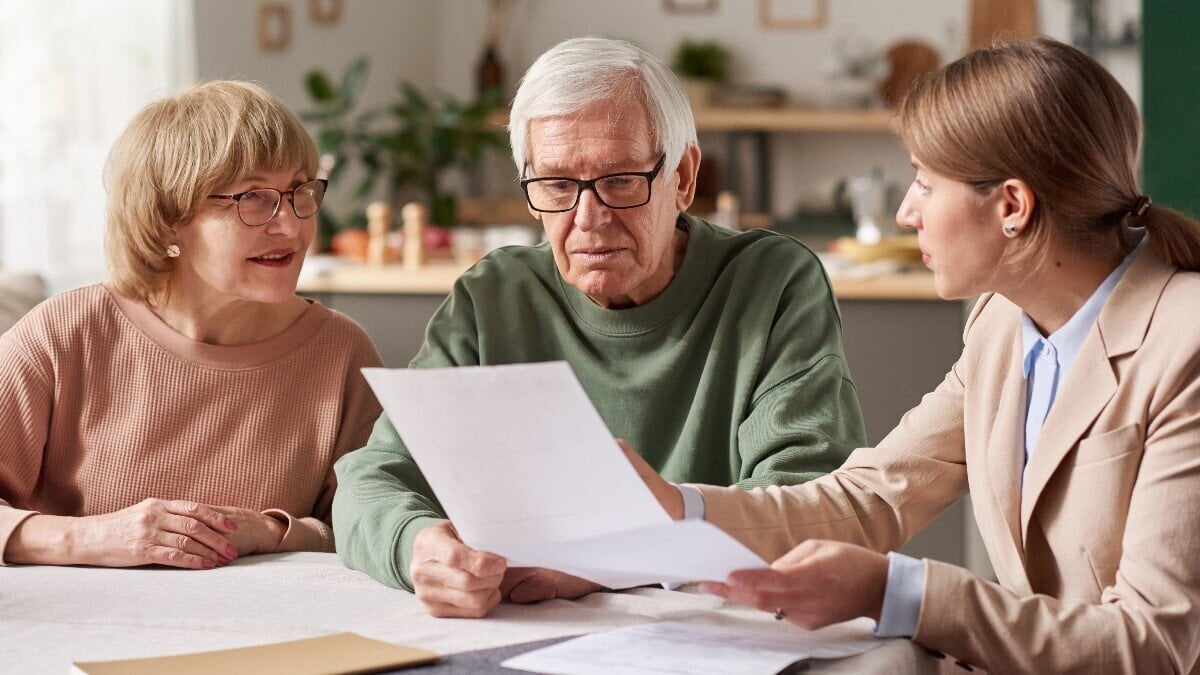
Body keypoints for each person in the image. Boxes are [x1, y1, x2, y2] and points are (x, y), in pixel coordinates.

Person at [626, 37, 1200, 672]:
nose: (905, 212)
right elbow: (872, 499)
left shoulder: (1186, 344)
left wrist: (902, 592)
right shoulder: (1002, 322)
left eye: (925, 183)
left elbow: (1154, 645)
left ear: (1012, 205)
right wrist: (676, 509)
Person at [333, 36, 867, 618]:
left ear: (683, 177)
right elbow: (369, 480)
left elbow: (808, 506)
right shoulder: (495, 297)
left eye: (619, 180)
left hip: (719, 634)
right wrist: (416, 547)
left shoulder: (772, 282)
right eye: (558, 186)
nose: (589, 220)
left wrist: (611, 563)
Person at [0, 81, 383, 569]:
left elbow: (375, 525)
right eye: (254, 198)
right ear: (165, 220)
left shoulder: (341, 350)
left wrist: (270, 530)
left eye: (298, 191)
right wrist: (92, 536)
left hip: (271, 631)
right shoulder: (65, 334)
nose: (291, 225)